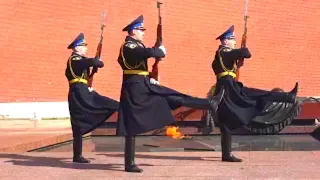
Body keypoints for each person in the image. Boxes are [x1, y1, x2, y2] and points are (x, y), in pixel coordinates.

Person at [116, 15, 225, 173]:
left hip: (143, 84)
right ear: (133, 31)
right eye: (141, 30)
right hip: (135, 89)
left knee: (173, 96)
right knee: (131, 125)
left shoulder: (136, 45)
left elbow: (142, 60)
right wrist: (158, 51)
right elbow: (144, 53)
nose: (143, 33)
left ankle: (209, 103)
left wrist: (149, 76)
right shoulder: (128, 46)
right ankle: (129, 163)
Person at [211, 25, 301, 162]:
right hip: (228, 90)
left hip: (228, 88)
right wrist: (243, 46)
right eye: (232, 39)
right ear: (225, 41)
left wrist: (238, 64)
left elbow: (226, 69)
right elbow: (247, 53)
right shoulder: (225, 52)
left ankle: (226, 154)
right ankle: (289, 97)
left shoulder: (223, 55)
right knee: (256, 96)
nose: (234, 42)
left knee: (226, 122)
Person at [65, 33, 119, 163]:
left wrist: (94, 67)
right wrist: (96, 61)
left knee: (112, 104)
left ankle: (77, 155)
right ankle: (77, 155)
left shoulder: (80, 61)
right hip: (78, 94)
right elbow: (93, 62)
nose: (85, 48)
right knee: (77, 124)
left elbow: (91, 66)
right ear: (76, 48)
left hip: (83, 92)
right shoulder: (74, 60)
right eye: (83, 46)